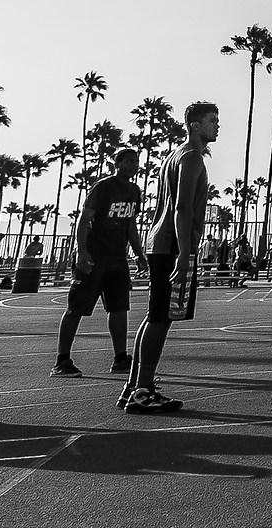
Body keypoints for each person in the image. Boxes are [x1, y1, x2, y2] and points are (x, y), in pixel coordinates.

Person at [121, 102, 219, 414]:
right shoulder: (190, 157)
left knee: (156, 316)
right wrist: (186, 254)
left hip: (161, 243)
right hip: (172, 246)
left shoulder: (175, 155)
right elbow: (182, 209)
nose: (217, 126)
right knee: (161, 318)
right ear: (194, 125)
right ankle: (142, 391)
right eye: (212, 121)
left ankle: (135, 385)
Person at [55, 149, 144, 376]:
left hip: (117, 259)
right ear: (118, 164)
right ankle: (62, 360)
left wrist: (139, 253)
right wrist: (82, 252)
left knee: (119, 308)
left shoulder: (134, 191)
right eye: (130, 161)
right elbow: (84, 220)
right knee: (77, 307)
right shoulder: (103, 187)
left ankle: (120, 357)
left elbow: (131, 225)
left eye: (136, 162)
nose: (134, 165)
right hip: (95, 257)